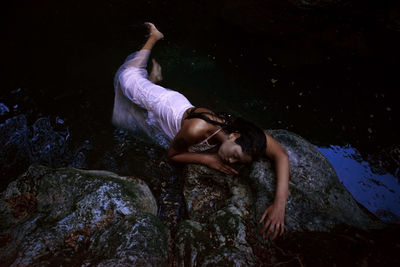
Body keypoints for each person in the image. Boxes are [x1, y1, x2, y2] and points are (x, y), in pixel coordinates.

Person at [112, 23, 289, 240]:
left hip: (179, 110)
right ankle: (154, 37)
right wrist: (209, 161)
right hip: (168, 106)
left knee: (147, 110)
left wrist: (279, 204)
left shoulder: (248, 136)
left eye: (238, 162)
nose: (232, 162)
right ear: (233, 136)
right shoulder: (197, 130)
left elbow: (281, 155)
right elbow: (173, 155)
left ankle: (154, 81)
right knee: (128, 77)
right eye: (234, 155)